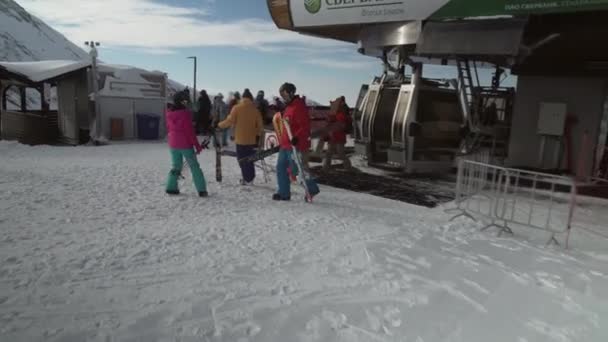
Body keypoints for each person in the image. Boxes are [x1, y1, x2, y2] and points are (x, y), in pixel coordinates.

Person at [273, 82, 319, 201]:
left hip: (296, 145)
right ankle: (284, 193)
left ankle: (312, 188)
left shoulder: (299, 107)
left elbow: (305, 127)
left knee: (298, 169)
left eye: (284, 94)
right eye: (281, 94)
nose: (283, 97)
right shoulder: (289, 106)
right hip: (285, 144)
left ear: (291, 93)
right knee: (280, 168)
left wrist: (296, 137)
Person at [165, 90, 208, 197]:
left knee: (176, 166)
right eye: (186, 101)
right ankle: (201, 190)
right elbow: (190, 133)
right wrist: (197, 146)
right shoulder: (185, 114)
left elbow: (169, 128)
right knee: (194, 166)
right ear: (182, 102)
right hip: (185, 145)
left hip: (173, 143)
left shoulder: (169, 114)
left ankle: (171, 187)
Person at [218, 89, 263, 185]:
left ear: (242, 98)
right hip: (252, 140)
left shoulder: (236, 108)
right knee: (250, 160)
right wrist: (257, 136)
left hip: (240, 139)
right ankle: (249, 178)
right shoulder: (255, 110)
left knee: (242, 159)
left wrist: (219, 125)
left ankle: (247, 179)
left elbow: (230, 121)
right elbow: (260, 127)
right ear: (251, 98)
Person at [323, 97, 352, 170]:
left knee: (337, 153)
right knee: (331, 153)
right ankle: (326, 168)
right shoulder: (341, 112)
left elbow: (331, 124)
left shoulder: (342, 113)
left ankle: (347, 167)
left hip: (337, 136)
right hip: (335, 136)